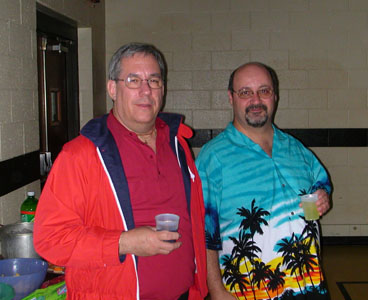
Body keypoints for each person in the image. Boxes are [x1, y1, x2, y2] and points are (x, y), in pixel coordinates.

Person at [34, 42, 207, 300]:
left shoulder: (177, 143)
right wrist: (124, 242)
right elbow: (50, 239)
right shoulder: (81, 155)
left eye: (154, 80)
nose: (146, 90)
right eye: (133, 80)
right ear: (112, 89)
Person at [195, 62, 332, 300]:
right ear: (231, 98)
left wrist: (322, 196)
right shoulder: (213, 158)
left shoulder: (294, 148)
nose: (255, 100)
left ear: (275, 96)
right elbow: (203, 232)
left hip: (310, 286)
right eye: (245, 92)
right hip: (247, 292)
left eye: (264, 91)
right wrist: (216, 290)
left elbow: (321, 183)